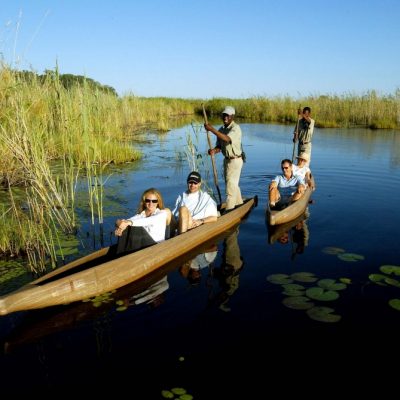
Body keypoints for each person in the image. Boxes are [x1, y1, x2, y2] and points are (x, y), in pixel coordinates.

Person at [204, 106, 244, 211]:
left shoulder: (236, 128)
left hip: (235, 160)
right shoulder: (221, 129)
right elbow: (220, 147)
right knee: (232, 184)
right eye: (224, 115)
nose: (225, 117)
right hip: (226, 160)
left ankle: (229, 210)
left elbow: (226, 139)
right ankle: (239, 203)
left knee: (230, 187)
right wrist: (214, 151)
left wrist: (211, 129)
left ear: (232, 116)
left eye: (228, 115)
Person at [114, 188, 172, 254]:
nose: (151, 203)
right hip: (143, 244)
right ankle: (120, 255)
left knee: (135, 227)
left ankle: (131, 257)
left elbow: (149, 220)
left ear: (158, 202)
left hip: (156, 246)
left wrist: (129, 223)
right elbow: (125, 221)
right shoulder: (141, 215)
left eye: (154, 201)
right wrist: (119, 225)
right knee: (126, 226)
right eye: (148, 200)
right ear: (144, 202)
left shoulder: (162, 214)